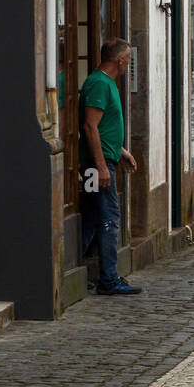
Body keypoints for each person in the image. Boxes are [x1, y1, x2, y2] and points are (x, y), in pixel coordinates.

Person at [79, 38, 141, 295]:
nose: (129, 63)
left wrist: (122, 151)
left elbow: (104, 127)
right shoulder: (98, 84)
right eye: (128, 59)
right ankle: (109, 279)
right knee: (109, 217)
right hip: (97, 165)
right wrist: (102, 167)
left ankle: (77, 268)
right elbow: (90, 126)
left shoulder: (107, 84)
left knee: (94, 217)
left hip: (106, 159)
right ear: (120, 60)